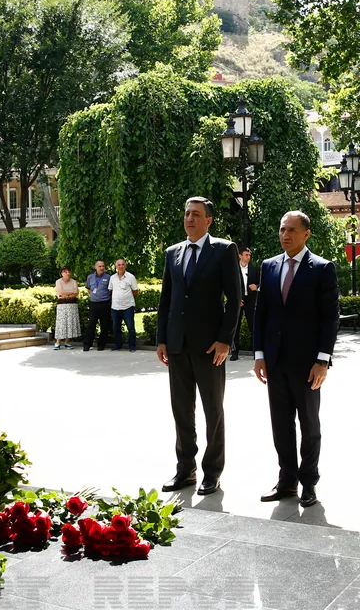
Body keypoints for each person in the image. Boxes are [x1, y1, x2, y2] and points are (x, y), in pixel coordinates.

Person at [253, 211, 339, 508]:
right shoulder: (269, 266)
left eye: (291, 230)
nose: (285, 235)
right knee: (281, 424)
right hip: (275, 362)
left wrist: (322, 360)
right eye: (282, 229)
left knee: (309, 425)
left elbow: (330, 318)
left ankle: (308, 482)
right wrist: (259, 355)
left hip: (307, 364)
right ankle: (286, 480)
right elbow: (261, 313)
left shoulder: (322, 268)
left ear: (306, 234)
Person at [156, 197, 242, 496]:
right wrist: (162, 339)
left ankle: (212, 472)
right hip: (177, 345)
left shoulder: (224, 250)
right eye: (186, 214)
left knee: (213, 411)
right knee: (181, 410)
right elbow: (167, 299)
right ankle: (185, 468)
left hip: (210, 347)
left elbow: (234, 300)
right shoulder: (173, 253)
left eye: (196, 214)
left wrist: (225, 340)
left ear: (209, 220)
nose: (189, 219)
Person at [232, 248, 261, 360]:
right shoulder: (234, 269)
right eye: (246, 255)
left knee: (253, 327)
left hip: (251, 301)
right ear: (240, 256)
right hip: (238, 300)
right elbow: (229, 285)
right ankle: (234, 353)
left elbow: (261, 282)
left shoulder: (254, 269)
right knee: (235, 328)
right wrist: (236, 299)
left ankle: (256, 352)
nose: (248, 257)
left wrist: (256, 287)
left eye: (249, 255)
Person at [108, 258, 139, 352]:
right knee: (116, 328)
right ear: (116, 266)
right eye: (119, 265)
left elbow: (135, 291)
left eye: (123, 264)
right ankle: (118, 345)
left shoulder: (131, 277)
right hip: (115, 307)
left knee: (131, 328)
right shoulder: (112, 278)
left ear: (125, 265)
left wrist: (127, 298)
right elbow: (110, 290)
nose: (121, 266)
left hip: (128, 307)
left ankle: (132, 346)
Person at [82, 260, 112, 352]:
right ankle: (87, 344)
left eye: (103, 266)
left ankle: (101, 345)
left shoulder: (108, 277)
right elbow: (89, 289)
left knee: (104, 325)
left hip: (105, 303)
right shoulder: (90, 277)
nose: (102, 268)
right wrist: (95, 295)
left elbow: (110, 290)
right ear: (95, 267)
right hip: (93, 304)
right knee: (91, 324)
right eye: (99, 266)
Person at [53, 266, 80, 349]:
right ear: (61, 273)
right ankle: (58, 342)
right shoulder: (58, 282)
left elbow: (76, 292)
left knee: (70, 323)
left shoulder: (74, 281)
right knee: (61, 323)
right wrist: (70, 293)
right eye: (65, 272)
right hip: (62, 305)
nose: (67, 273)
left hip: (72, 305)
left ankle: (67, 342)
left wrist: (66, 294)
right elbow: (60, 292)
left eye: (68, 272)